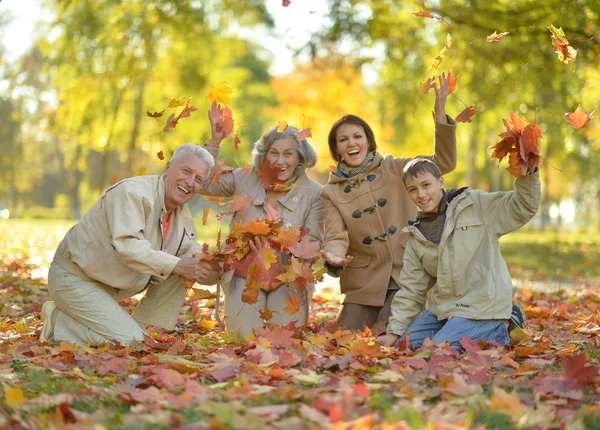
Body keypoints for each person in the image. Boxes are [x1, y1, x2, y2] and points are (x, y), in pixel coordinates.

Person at [39, 144, 219, 346]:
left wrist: (227, 262)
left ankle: (143, 329)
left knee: (183, 264)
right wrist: (179, 265)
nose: (190, 182)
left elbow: (197, 264)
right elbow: (128, 247)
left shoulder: (181, 219)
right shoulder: (133, 193)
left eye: (198, 179)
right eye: (186, 171)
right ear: (168, 168)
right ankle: (58, 322)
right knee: (132, 343)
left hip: (107, 287)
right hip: (74, 278)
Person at [320, 72, 457, 333]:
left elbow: (443, 164)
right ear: (337, 150)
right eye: (344, 139)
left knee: (388, 332)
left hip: (407, 274)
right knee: (342, 339)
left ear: (368, 141)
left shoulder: (394, 167)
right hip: (364, 282)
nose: (352, 143)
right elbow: (336, 236)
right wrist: (335, 256)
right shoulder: (331, 192)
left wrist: (441, 117)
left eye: (357, 136)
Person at [378, 158, 540, 349]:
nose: (421, 194)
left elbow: (522, 208)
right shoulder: (416, 235)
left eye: (426, 185)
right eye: (413, 189)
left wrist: (528, 174)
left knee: (440, 351)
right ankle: (465, 330)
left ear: (440, 182)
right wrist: (394, 332)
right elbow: (411, 290)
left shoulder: (474, 204)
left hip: (482, 305)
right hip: (445, 308)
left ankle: (504, 325)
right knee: (406, 346)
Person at [201, 109, 322, 337]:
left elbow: (313, 242)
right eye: (273, 153)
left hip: (287, 280)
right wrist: (215, 140)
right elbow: (204, 184)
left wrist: (282, 246)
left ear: (300, 158)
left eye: (288, 154)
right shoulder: (245, 178)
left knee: (285, 340)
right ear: (264, 154)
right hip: (243, 276)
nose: (279, 161)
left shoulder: (314, 192)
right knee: (242, 339)